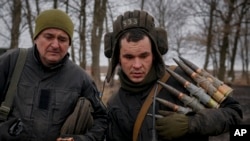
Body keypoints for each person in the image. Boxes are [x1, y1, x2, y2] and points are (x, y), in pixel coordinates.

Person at [104, 10, 242, 141]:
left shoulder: (185, 79)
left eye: (144, 55)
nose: (137, 65)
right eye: (128, 57)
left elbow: (235, 114)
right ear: (118, 58)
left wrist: (192, 123)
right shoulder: (115, 105)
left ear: (155, 53)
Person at [0, 9, 108, 141]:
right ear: (36, 38)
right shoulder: (11, 62)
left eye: (62, 39)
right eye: (49, 37)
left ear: (69, 44)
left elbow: (103, 119)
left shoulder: (81, 79)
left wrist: (82, 139)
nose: (55, 45)